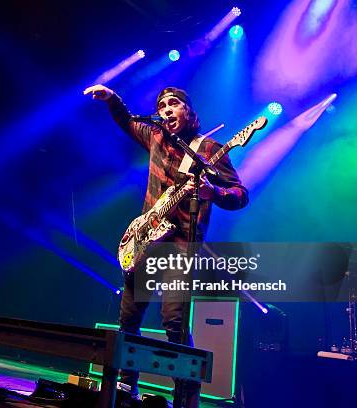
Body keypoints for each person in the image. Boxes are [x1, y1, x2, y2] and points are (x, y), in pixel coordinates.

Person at [83, 84, 248, 407]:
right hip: (146, 240)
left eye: (174, 103)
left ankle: (185, 395)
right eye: (162, 105)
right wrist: (113, 98)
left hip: (182, 245)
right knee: (129, 319)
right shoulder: (155, 137)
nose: (167, 109)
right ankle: (125, 387)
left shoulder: (208, 147)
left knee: (174, 318)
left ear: (189, 111)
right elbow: (126, 120)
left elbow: (240, 194)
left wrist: (215, 193)